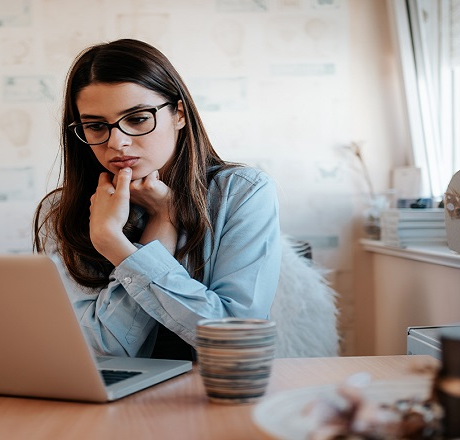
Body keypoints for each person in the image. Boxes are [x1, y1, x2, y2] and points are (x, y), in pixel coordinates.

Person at [33, 39, 281, 360]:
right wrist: (162, 224)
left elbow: (235, 339)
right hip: (114, 391)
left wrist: (116, 247)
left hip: (212, 386)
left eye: (137, 119)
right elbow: (100, 349)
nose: (117, 142)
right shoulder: (61, 211)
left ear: (179, 114)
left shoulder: (242, 192)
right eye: (95, 126)